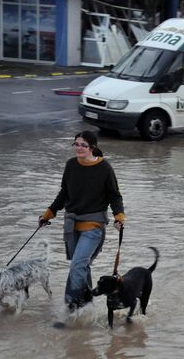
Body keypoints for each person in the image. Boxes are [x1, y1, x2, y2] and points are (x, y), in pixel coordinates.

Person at [38, 130, 124, 313]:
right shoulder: (71, 165)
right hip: (72, 224)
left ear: (92, 147)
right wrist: (48, 214)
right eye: (76, 144)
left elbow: (114, 195)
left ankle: (73, 305)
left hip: (94, 225)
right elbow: (64, 193)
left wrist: (119, 217)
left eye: (83, 145)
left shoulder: (105, 168)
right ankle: (88, 304)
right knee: (82, 265)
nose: (79, 148)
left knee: (77, 264)